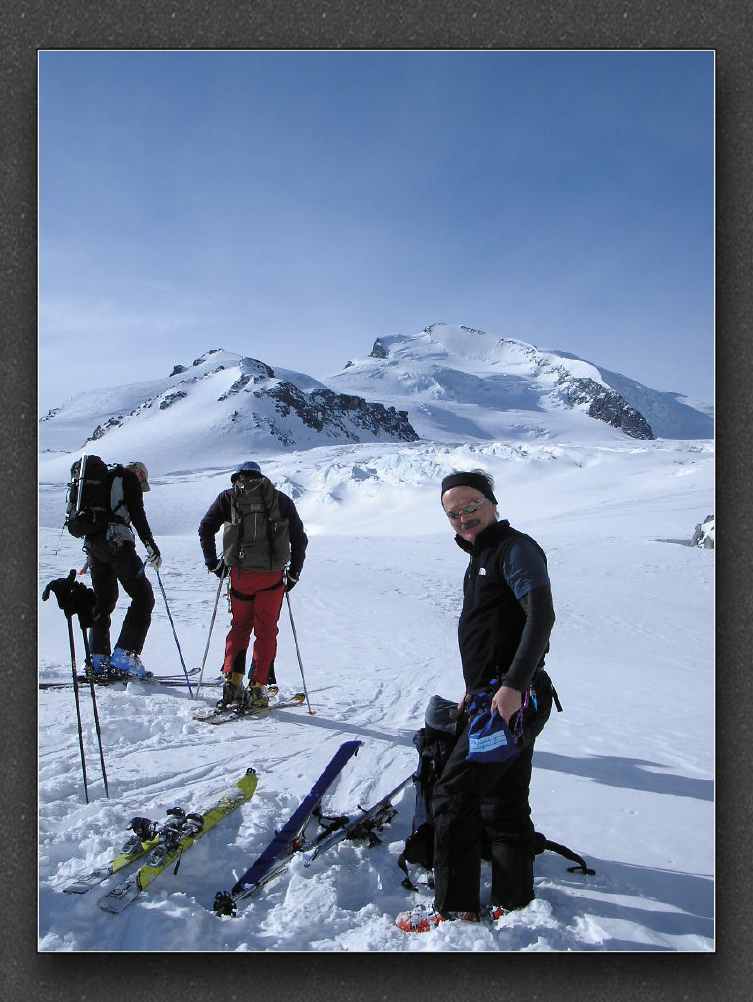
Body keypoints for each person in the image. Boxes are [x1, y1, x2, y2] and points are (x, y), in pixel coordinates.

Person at [396, 469, 556, 932]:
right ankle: (514, 899)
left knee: (453, 795)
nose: (463, 517)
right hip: (500, 697)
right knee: (503, 800)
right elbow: (495, 629)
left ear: (492, 502)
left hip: (510, 701)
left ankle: (455, 906)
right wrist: (481, 686)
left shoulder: (514, 548)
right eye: (454, 512)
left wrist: (511, 686)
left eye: (471, 506)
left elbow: (540, 617)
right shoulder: (484, 553)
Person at [198, 461, 308, 710]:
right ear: (261, 477)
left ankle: (232, 682)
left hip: (240, 575)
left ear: (237, 477)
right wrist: (294, 574)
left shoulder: (228, 497)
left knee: (239, 627)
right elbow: (300, 539)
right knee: (266, 631)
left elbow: (205, 529)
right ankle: (258, 687)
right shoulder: (279, 500)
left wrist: (213, 563)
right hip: (271, 578)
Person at [84, 460, 161, 679]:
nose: (142, 483)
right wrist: (150, 545)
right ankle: (125, 655)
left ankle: (98, 659)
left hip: (94, 547)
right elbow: (137, 514)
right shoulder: (128, 479)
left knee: (104, 601)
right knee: (144, 597)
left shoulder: (103, 481)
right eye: (143, 479)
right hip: (118, 543)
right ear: (139, 472)